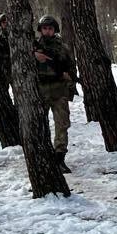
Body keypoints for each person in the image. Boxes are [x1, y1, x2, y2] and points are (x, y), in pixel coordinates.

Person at [34, 15, 76, 156]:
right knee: (40, 124)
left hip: (59, 90)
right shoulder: (33, 46)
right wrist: (35, 56)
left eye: (50, 28)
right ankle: (43, 152)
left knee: (62, 124)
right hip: (41, 90)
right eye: (44, 28)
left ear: (55, 30)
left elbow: (70, 68)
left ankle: (60, 154)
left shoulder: (62, 47)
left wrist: (70, 86)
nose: (47, 31)